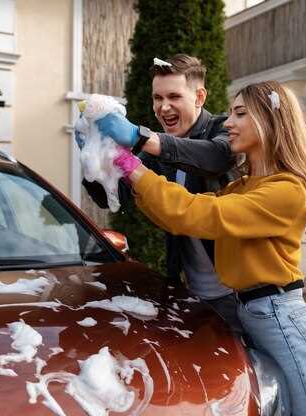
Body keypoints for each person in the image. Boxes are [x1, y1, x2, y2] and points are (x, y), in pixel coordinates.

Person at [99, 80, 306, 416]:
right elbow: (179, 218)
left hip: (283, 317)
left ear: (269, 121)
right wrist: (126, 170)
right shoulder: (243, 186)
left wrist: (134, 165)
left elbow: (197, 213)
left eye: (240, 113)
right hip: (253, 312)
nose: (227, 122)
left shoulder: (286, 190)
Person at [81, 54, 243, 334]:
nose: (163, 107)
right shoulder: (158, 149)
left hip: (239, 295)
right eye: (157, 98)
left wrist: (142, 138)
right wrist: (91, 158)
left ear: (200, 97)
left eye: (174, 97)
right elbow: (113, 198)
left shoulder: (224, 129)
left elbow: (217, 158)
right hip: (189, 292)